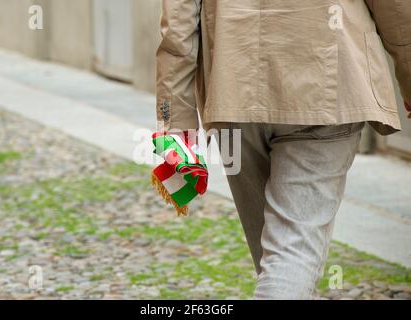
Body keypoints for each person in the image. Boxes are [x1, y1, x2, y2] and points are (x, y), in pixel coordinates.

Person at [155, 0, 410, 299]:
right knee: (290, 255)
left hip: (234, 88)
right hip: (325, 85)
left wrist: (175, 122)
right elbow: (396, 10)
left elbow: (178, 20)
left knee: (280, 261)